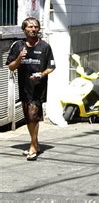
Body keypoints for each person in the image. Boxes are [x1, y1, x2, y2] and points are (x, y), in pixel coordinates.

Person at [6, 17, 56, 161]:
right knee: (29, 117)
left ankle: (33, 146)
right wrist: (19, 59)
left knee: (33, 115)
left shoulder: (45, 47)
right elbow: (11, 67)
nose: (33, 29)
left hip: (38, 87)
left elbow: (51, 67)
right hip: (24, 87)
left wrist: (42, 74)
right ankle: (36, 144)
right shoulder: (18, 46)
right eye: (30, 27)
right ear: (24, 29)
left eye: (36, 27)